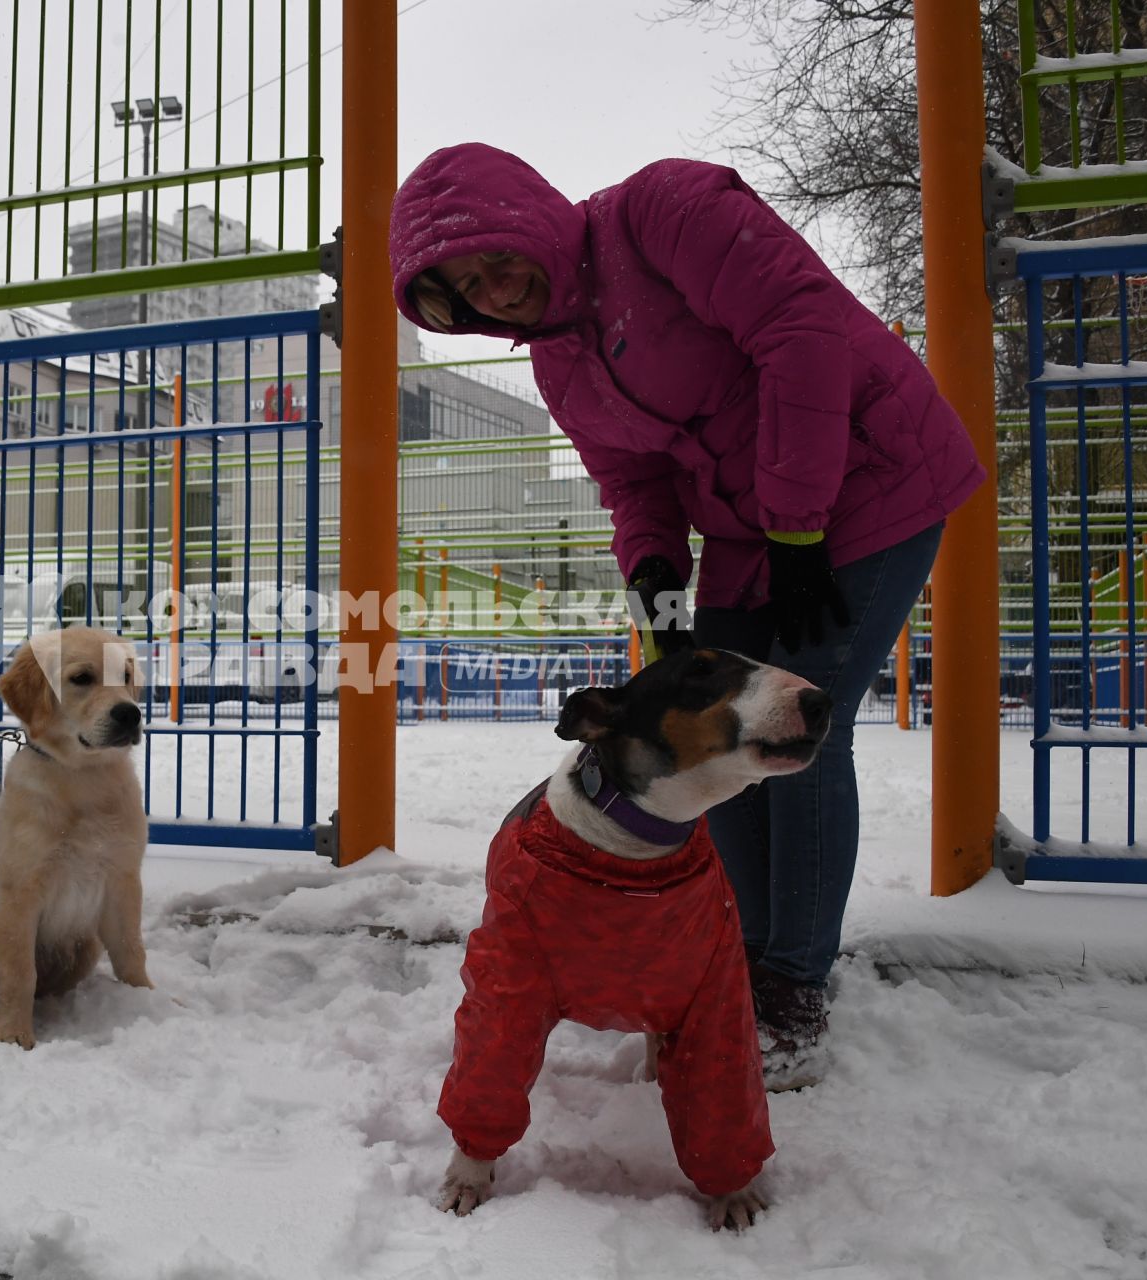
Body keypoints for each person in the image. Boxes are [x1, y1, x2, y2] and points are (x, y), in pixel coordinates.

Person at [389, 144, 983, 1085]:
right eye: (465, 292)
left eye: (494, 260)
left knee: (802, 718)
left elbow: (800, 330)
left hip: (875, 480)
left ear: (529, 215)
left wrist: (798, 530)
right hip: (759, 529)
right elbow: (633, 483)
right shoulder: (557, 359)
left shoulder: (664, 211)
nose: (494, 293)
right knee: (717, 735)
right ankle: (744, 945)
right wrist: (661, 590)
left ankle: (791, 978)